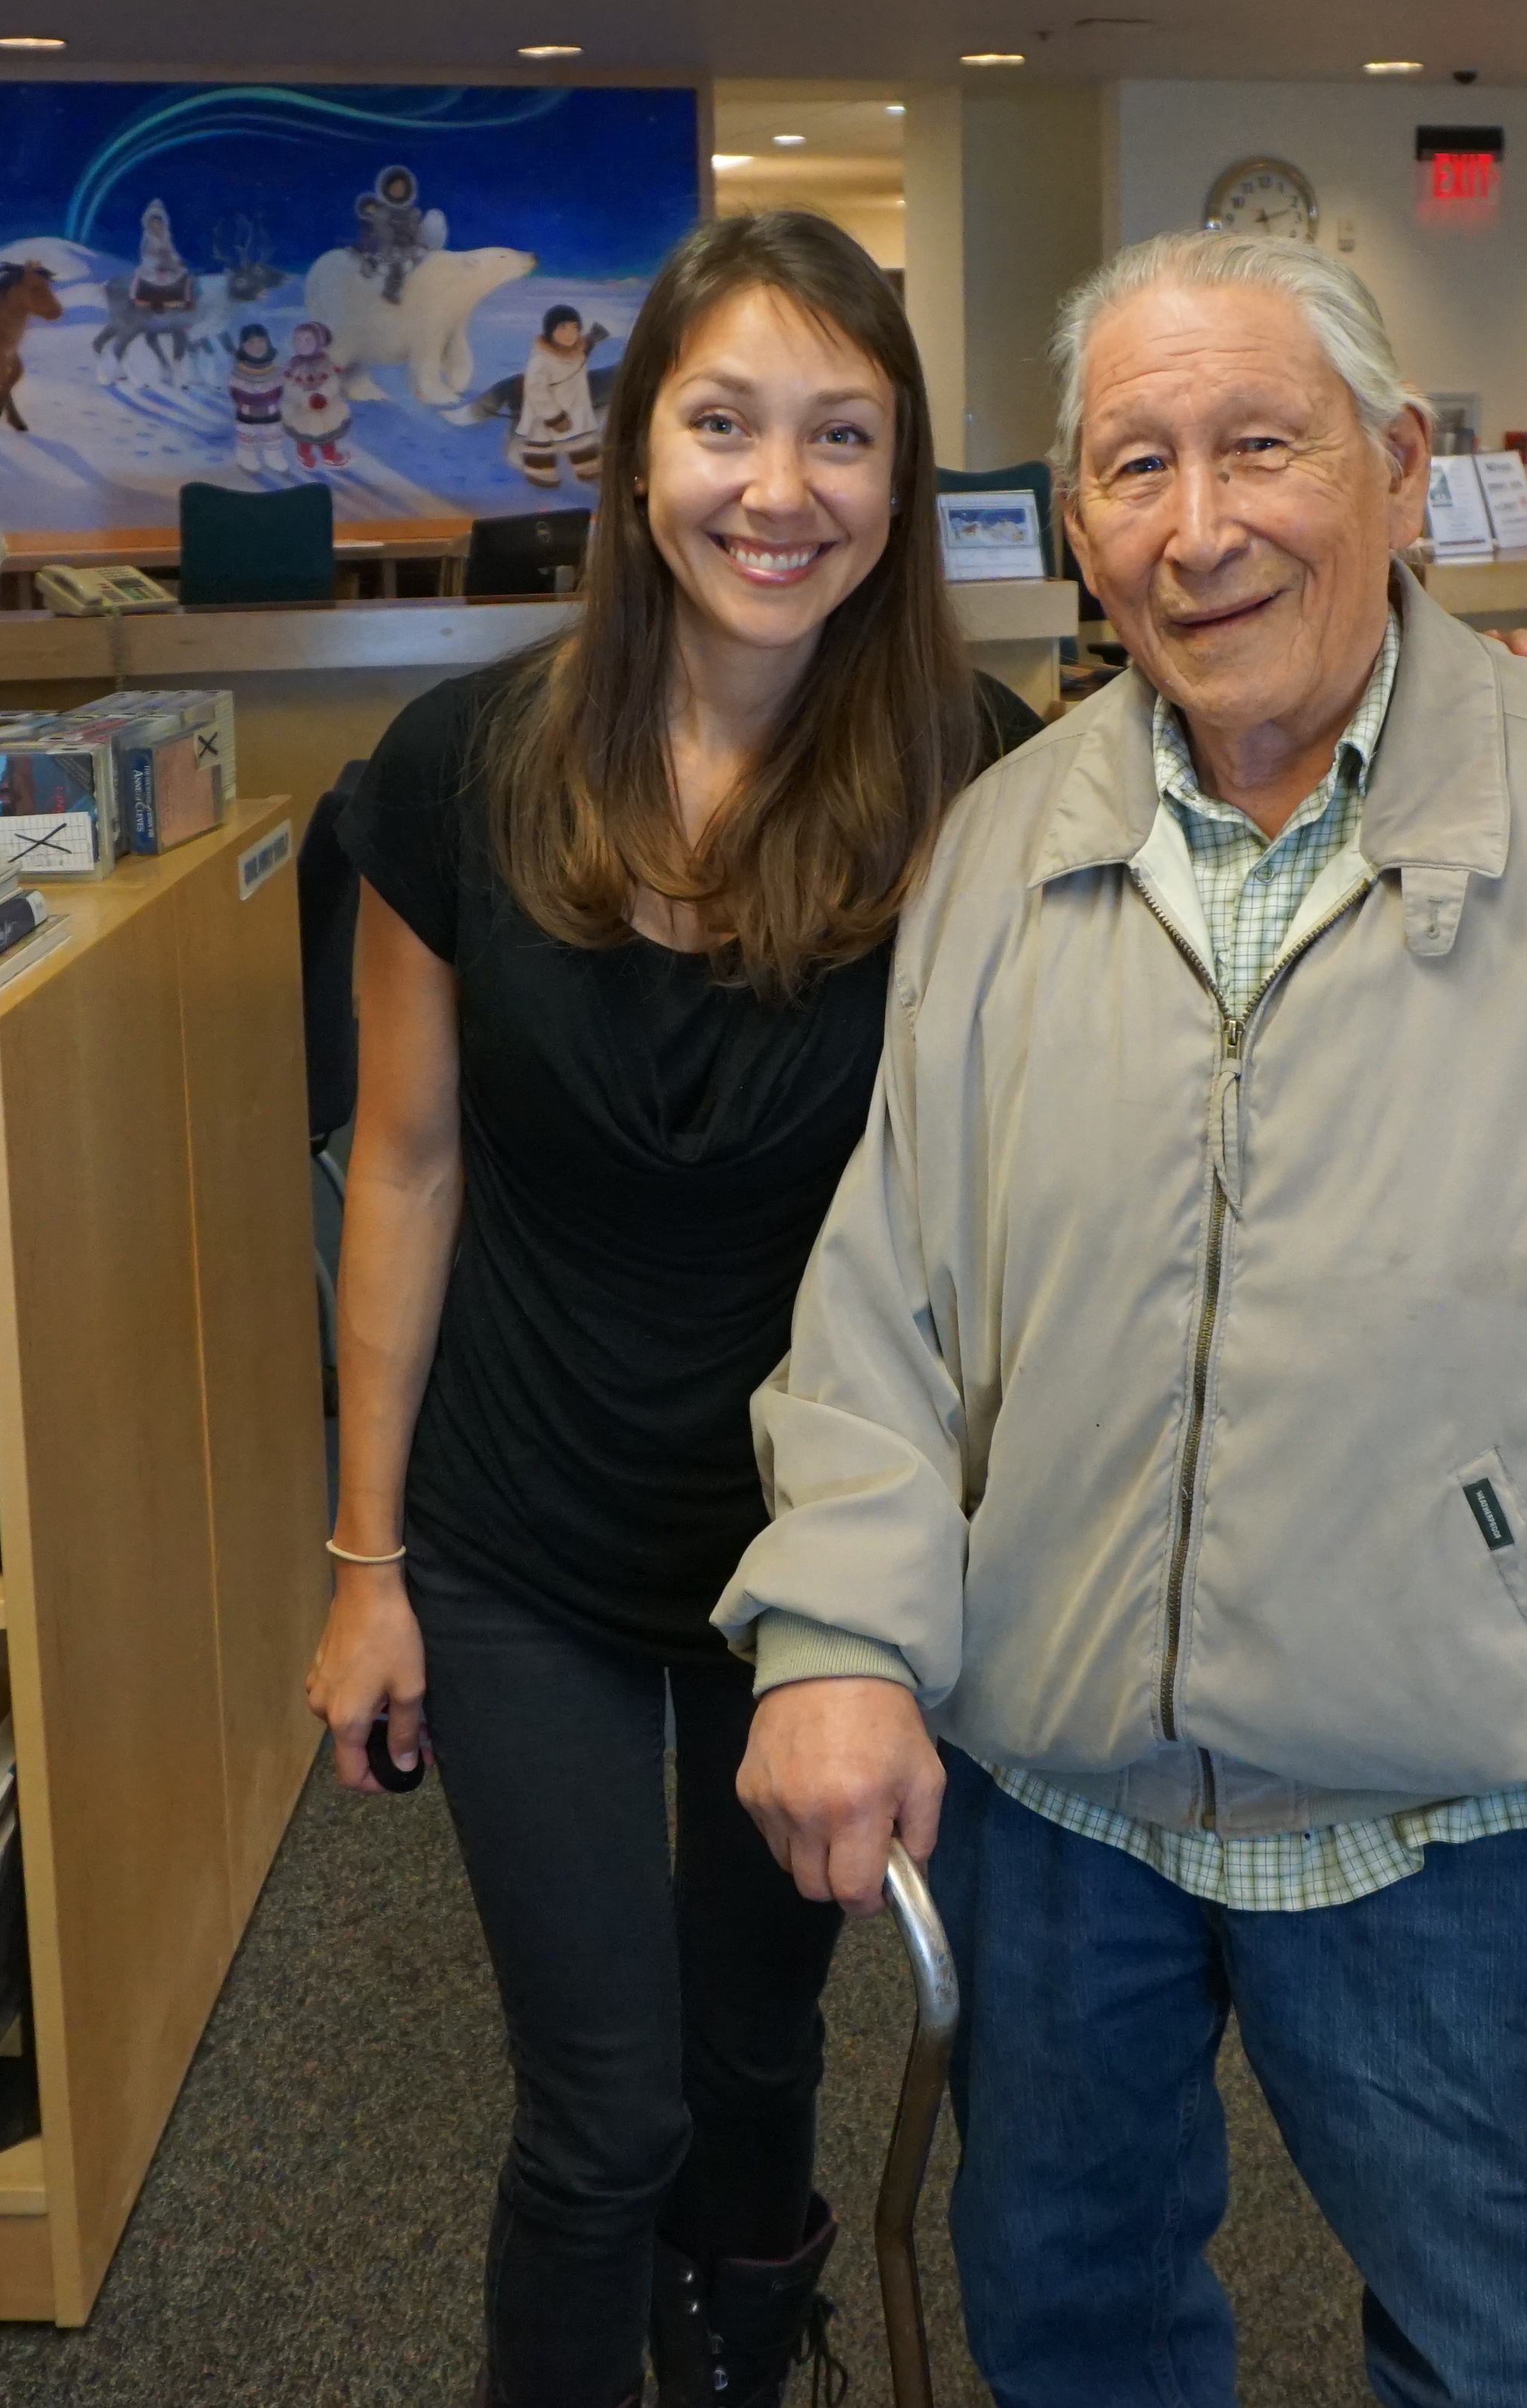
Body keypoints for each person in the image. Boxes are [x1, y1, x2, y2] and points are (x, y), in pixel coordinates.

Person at [718, 230, 1527, 2407]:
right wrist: (834, 1630)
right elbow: (886, 1306)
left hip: (1472, 1808)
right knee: (1072, 2334)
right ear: (1078, 529)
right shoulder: (1009, 846)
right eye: (1133, 469)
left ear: (1399, 469)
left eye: (1259, 447)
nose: (1199, 528)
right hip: (1064, 1811)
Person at [303, 210, 1042, 2408]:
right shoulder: (457, 767)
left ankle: (743, 2341)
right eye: (724, 423)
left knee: (751, 2058)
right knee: (604, 2102)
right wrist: (365, 1563)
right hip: (517, 1529)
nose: (777, 487)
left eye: (843, 434)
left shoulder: (978, 784)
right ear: (636, 455)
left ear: (901, 486)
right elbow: (407, 1164)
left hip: (804, 1552)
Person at [511, 304, 607, 488]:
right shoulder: (541, 362)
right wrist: (554, 417)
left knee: (581, 438)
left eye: (575, 328)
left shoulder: (576, 353)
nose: (570, 334)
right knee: (541, 442)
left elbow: (584, 351)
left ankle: (587, 466)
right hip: (546, 413)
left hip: (575, 407)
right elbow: (536, 391)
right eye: (563, 328)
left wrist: (593, 338)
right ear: (550, 331)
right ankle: (540, 473)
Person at [355, 163, 434, 302]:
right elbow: (379, 234)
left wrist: (418, 245)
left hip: (409, 249)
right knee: (392, 267)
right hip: (388, 251)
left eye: (401, 188)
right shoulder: (382, 214)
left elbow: (416, 233)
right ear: (386, 189)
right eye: (394, 188)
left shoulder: (412, 214)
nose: (398, 191)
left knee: (418, 264)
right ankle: (388, 293)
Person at [281, 321, 352, 471]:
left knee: (327, 436)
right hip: (302, 412)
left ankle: (330, 456)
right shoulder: (293, 366)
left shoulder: (326, 363)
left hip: (326, 410)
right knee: (304, 436)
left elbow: (333, 382)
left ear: (318, 342)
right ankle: (304, 455)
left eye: (308, 340)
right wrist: (307, 398)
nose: (302, 344)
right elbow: (290, 388)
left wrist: (323, 395)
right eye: (298, 340)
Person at [228, 322, 286, 472]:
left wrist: (271, 399)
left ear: (268, 342)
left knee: (273, 433)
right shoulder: (240, 370)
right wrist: (247, 402)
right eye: (250, 342)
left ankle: (273, 456)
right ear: (243, 346)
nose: (256, 346)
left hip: (271, 409)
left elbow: (279, 388)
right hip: (247, 411)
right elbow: (235, 391)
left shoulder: (274, 368)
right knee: (248, 434)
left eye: (261, 341)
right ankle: (246, 455)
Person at [132, 199, 194, 313]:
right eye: (153, 223)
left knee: (183, 274)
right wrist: (156, 259)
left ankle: (185, 302)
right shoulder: (147, 238)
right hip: (152, 269)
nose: (156, 226)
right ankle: (141, 302)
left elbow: (172, 252)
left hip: (168, 266)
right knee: (140, 276)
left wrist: (176, 260)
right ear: (149, 223)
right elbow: (145, 254)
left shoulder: (167, 237)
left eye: (158, 223)